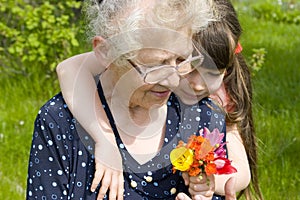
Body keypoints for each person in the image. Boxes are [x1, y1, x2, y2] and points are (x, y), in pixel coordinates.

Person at [55, 0, 263, 200]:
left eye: (182, 61)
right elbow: (69, 69)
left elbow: (241, 172)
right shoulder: (148, 46)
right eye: (186, 65)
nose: (197, 84)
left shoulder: (219, 98)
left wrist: (205, 179)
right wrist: (104, 138)